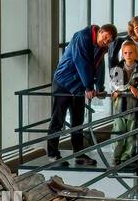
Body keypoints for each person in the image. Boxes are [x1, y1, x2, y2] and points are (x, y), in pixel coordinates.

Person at [47, 23, 117, 166]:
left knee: (77, 121)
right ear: (100, 32)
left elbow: (99, 65)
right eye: (105, 38)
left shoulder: (101, 46)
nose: (106, 42)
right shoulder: (82, 37)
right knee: (58, 119)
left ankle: (79, 154)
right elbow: (82, 62)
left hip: (79, 86)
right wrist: (89, 87)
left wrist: (99, 86)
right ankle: (53, 154)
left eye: (109, 41)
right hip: (64, 83)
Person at [110, 39, 138, 168]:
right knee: (118, 133)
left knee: (132, 135)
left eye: (131, 52)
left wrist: (121, 90)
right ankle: (116, 157)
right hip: (119, 108)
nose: (128, 55)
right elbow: (114, 85)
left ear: (136, 53)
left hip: (134, 107)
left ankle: (127, 157)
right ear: (122, 54)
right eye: (125, 53)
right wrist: (130, 87)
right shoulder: (117, 68)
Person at [110, 15, 138, 91]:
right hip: (129, 86)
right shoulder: (127, 44)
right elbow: (127, 64)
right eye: (137, 28)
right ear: (132, 30)